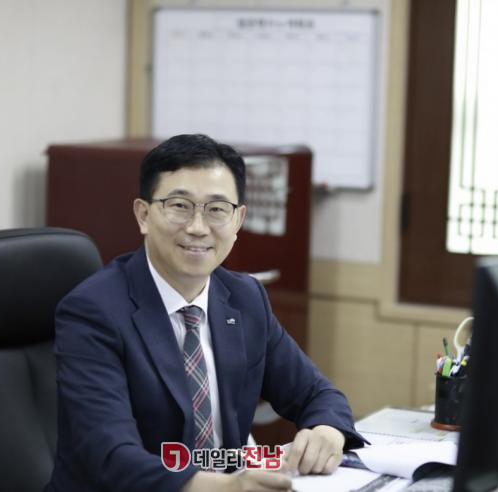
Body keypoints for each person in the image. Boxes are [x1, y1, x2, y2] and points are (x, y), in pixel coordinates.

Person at [47, 134, 365, 492]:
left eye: (216, 209)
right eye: (179, 206)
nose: (198, 227)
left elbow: (317, 394)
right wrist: (228, 487)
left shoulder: (245, 298)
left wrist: (327, 430)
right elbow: (112, 457)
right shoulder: (93, 312)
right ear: (143, 215)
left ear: (238, 220)